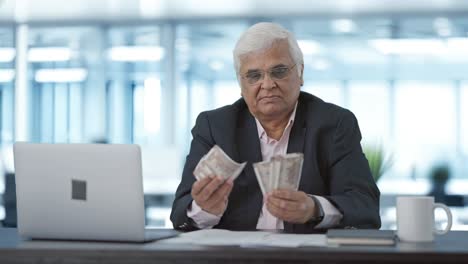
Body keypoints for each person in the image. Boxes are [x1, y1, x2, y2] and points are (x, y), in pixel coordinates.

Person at [171, 22, 380, 233]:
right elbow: (179, 214)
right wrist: (204, 209)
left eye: (278, 71)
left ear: (301, 73)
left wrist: (314, 208)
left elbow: (365, 207)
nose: (268, 84)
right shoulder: (215, 126)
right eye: (254, 75)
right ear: (240, 84)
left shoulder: (334, 124)